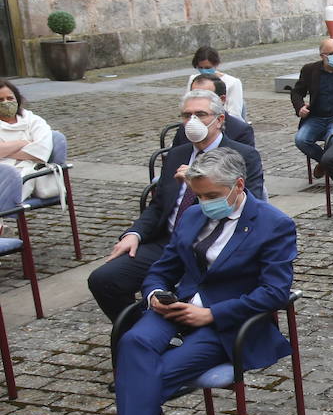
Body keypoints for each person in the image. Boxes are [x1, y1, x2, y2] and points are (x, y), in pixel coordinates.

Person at [76, 148, 295, 415]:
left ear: (238, 187)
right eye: (196, 196)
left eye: (209, 194)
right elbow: (162, 267)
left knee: (139, 383)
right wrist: (156, 294)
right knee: (134, 344)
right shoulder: (193, 216)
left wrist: (212, 314)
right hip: (175, 309)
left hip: (223, 325)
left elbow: (275, 291)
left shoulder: (274, 223)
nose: (201, 203)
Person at [87, 90, 265, 324]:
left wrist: (199, 184)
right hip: (168, 241)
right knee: (103, 280)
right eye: (186, 115)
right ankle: (140, 329)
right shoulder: (177, 154)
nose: (192, 121)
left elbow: (252, 206)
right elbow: (159, 205)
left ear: (219, 120)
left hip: (210, 243)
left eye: (200, 114)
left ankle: (165, 330)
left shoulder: (243, 155)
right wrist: (134, 233)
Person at [291, 39, 333, 175]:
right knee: (301, 140)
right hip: (316, 117)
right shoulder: (310, 70)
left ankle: (330, 165)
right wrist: (300, 108)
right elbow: (297, 92)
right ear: (323, 55)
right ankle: (325, 162)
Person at [0, 81, 60, 201]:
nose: (6, 103)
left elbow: (41, 152)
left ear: (17, 99)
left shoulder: (33, 121)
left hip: (29, 175)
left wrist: (5, 150)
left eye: (9, 98)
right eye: (0, 100)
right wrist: (22, 143)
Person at [174, 75, 256, 148]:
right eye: (194, 94)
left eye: (205, 96)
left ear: (222, 99)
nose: (197, 100)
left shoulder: (240, 130)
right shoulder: (185, 127)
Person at [185, 46, 247, 121]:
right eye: (200, 68)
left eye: (208, 67)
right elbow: (188, 104)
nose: (204, 70)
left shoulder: (232, 82)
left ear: (216, 65)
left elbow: (235, 113)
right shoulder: (194, 79)